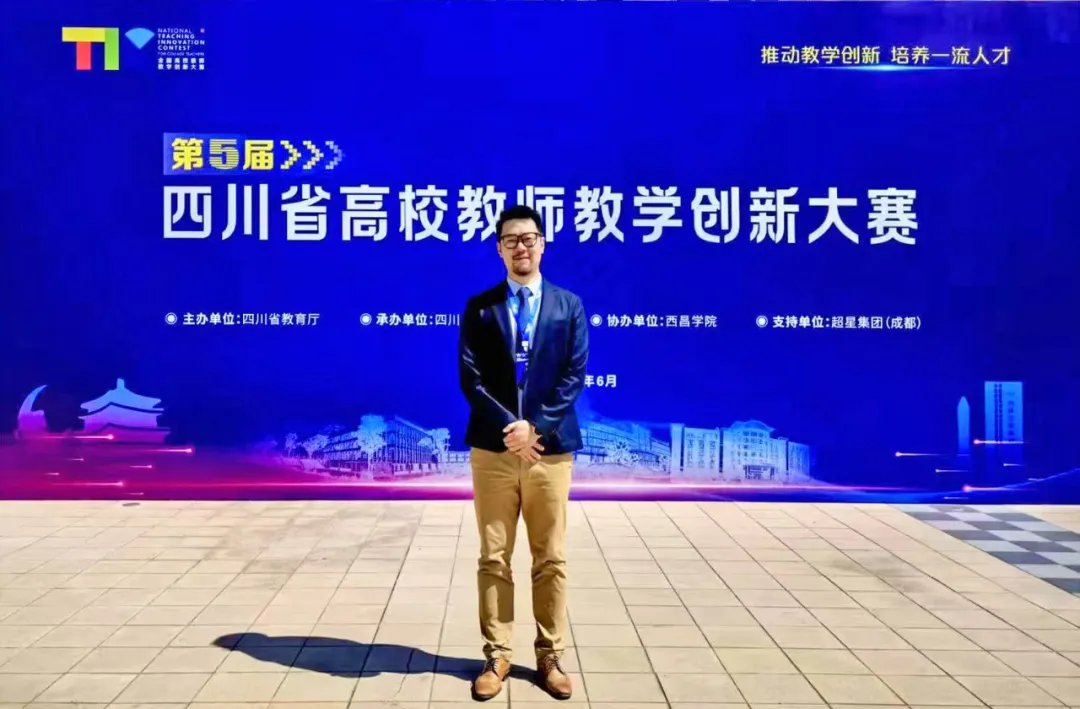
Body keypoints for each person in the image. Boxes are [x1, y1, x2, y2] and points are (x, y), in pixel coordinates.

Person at [458, 204, 588, 701]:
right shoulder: (480, 307)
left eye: (529, 238)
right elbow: (470, 379)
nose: (521, 247)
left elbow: (573, 376)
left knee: (549, 557)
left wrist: (536, 428)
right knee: (493, 557)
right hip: (493, 451)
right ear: (499, 248)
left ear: (542, 244)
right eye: (511, 240)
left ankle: (550, 655)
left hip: (548, 452)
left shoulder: (568, 305)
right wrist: (510, 428)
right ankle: (497, 655)